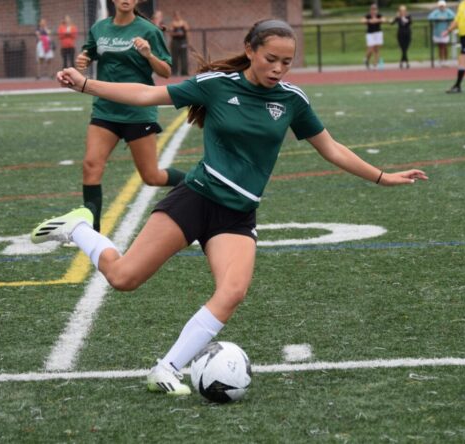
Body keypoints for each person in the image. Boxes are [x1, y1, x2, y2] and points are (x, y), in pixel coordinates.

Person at [37, 19, 429, 395]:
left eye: (287, 62)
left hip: (238, 214)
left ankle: (167, 368)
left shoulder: (292, 100)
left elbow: (331, 148)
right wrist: (87, 85)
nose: (278, 68)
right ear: (250, 50)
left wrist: (383, 176)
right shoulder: (216, 85)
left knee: (233, 291)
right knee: (124, 278)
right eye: (270, 58)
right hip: (196, 199)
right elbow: (147, 94)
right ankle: (78, 229)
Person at [74, 0, 184, 233]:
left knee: (151, 176)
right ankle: (91, 231)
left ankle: (194, 182)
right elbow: (89, 53)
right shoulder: (99, 28)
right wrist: (83, 59)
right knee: (91, 165)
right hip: (105, 109)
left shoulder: (149, 31)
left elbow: (165, 71)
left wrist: (148, 54)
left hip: (138, 111)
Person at [428, 0, 456, 67]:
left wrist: (446, 18)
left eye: (443, 6)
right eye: (440, 6)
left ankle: (445, 60)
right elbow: (430, 17)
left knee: (445, 46)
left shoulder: (448, 11)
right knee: (440, 47)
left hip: (445, 32)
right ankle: (441, 60)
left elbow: (453, 16)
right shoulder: (436, 12)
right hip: (437, 32)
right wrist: (438, 18)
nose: (442, 7)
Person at [363, 3, 385, 69]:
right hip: (370, 34)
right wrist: (369, 21)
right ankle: (366, 58)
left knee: (376, 49)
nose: (374, 11)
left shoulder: (379, 15)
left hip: (378, 33)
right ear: (370, 10)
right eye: (372, 9)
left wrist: (377, 20)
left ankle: (375, 63)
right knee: (370, 48)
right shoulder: (368, 16)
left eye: (375, 9)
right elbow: (362, 20)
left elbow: (384, 19)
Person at [169, 11, 191, 76]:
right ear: (174, 16)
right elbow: (170, 33)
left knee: (184, 57)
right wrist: (176, 34)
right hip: (175, 41)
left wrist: (188, 42)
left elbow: (187, 33)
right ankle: (174, 72)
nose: (177, 17)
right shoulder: (172, 24)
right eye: (176, 15)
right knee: (174, 57)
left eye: (178, 15)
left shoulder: (184, 23)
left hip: (183, 41)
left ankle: (184, 72)